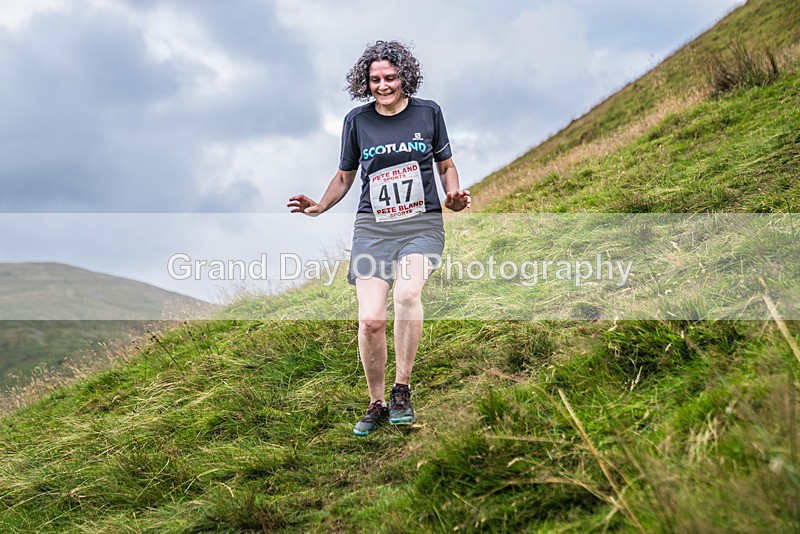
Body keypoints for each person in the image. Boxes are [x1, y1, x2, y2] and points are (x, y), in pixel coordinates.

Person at [288, 40, 470, 436]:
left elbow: (447, 166)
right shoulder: (357, 121)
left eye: (390, 78)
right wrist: (320, 206)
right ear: (364, 82)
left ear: (405, 77)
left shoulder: (428, 112)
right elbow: (344, 177)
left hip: (421, 225)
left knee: (406, 295)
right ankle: (376, 401)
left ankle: (402, 388)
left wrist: (454, 195)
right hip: (373, 229)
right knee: (371, 320)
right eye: (374, 80)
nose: (383, 86)